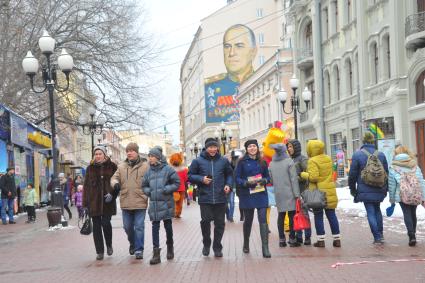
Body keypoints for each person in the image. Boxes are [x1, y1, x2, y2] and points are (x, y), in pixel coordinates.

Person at [188, 137, 233, 257]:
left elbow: (229, 174)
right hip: (205, 197)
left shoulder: (223, 161)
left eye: (214, 147)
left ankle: (217, 247)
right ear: (206, 148)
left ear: (217, 148)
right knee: (205, 221)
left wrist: (228, 185)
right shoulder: (197, 161)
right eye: (210, 147)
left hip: (220, 197)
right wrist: (201, 179)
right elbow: (190, 176)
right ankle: (206, 243)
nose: (212, 149)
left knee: (220, 223)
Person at [204, 24, 257, 123]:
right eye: (227, 46)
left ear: (253, 52)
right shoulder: (210, 88)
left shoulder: (262, 80)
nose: (231, 53)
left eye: (239, 46)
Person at [142, 147, 180, 265]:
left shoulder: (168, 169)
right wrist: (149, 192)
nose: (150, 158)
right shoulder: (148, 171)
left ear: (158, 157)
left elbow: (177, 183)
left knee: (168, 226)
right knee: (155, 228)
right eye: (149, 156)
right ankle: (156, 254)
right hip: (154, 204)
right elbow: (144, 185)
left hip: (167, 203)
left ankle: (170, 248)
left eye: (152, 156)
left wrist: (166, 189)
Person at [111, 142, 148, 260]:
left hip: (140, 200)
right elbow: (114, 178)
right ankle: (133, 242)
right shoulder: (121, 166)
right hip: (126, 201)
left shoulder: (145, 166)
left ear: (137, 152)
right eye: (127, 151)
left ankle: (139, 249)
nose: (129, 153)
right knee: (127, 227)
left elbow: (151, 180)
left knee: (139, 226)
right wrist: (115, 184)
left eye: (132, 150)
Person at [348, 132, 388, 244]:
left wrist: (352, 189)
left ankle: (377, 237)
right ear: (373, 141)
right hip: (379, 187)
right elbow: (386, 173)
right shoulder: (381, 154)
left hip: (365, 188)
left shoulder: (357, 155)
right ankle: (380, 234)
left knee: (370, 211)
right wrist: (386, 188)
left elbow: (352, 174)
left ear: (363, 141)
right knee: (377, 210)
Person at [301, 140, 341, 248]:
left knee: (318, 216)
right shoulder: (328, 158)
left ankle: (321, 240)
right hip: (329, 190)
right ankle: (337, 239)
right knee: (331, 215)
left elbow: (314, 177)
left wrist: (304, 174)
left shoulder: (312, 161)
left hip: (318, 193)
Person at [235, 140, 271, 258]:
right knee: (248, 220)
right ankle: (246, 243)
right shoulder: (241, 162)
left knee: (263, 219)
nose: (252, 148)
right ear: (246, 148)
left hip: (260, 194)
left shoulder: (262, 161)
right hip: (247, 194)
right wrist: (245, 183)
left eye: (254, 146)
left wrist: (264, 180)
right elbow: (237, 178)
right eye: (250, 146)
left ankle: (265, 248)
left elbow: (268, 177)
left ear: (257, 147)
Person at [83, 145, 117, 260]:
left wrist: (112, 194)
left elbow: (117, 183)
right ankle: (100, 251)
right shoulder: (90, 168)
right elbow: (86, 187)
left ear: (104, 154)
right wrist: (85, 204)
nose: (98, 156)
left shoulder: (112, 166)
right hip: (94, 202)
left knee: (106, 223)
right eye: (96, 154)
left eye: (100, 154)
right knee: (97, 227)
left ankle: (109, 244)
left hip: (108, 202)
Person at [388, 145, 425, 246]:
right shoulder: (414, 165)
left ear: (396, 154)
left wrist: (392, 199)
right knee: (413, 213)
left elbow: (392, 185)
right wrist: (423, 197)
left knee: (407, 213)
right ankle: (413, 234)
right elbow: (421, 182)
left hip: (401, 194)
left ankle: (411, 235)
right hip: (415, 193)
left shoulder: (393, 167)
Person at [269, 144, 301, 248]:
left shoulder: (271, 164)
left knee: (281, 215)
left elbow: (272, 180)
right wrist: (297, 194)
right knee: (291, 215)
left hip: (279, 193)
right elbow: (293, 179)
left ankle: (281, 240)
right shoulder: (289, 162)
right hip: (290, 192)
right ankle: (292, 239)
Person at [287, 139, 312, 245]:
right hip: (293, 192)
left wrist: (296, 178)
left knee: (304, 214)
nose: (289, 149)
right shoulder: (289, 159)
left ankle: (307, 237)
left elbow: (308, 174)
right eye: (288, 147)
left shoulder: (302, 159)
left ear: (296, 147)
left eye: (290, 147)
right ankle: (299, 237)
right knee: (296, 215)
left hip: (303, 191)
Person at [169, 153, 188, 218]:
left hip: (173, 188)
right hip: (181, 187)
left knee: (173, 201)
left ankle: (174, 212)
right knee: (180, 202)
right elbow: (186, 178)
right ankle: (178, 213)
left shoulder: (169, 170)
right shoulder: (184, 170)